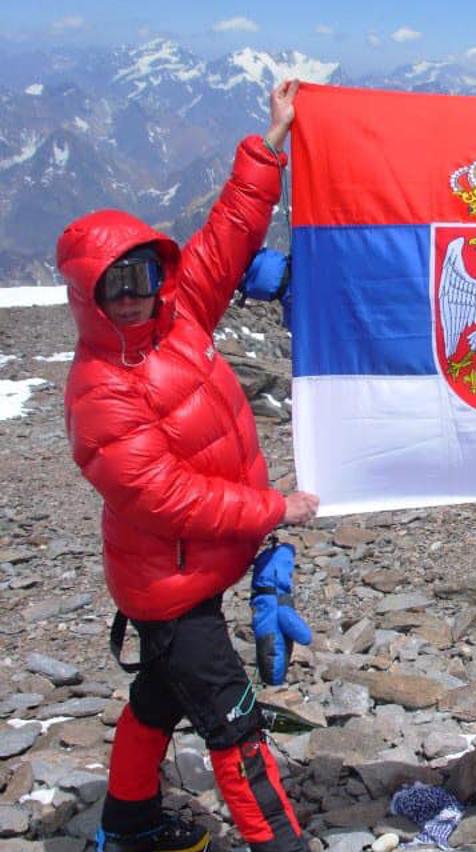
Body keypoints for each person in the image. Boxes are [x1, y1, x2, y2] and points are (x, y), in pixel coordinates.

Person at [58, 80, 319, 852]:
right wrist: (277, 510)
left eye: (142, 276)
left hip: (193, 570)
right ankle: (280, 842)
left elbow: (229, 234)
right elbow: (166, 498)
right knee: (231, 719)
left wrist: (269, 143)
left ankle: (128, 824)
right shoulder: (98, 391)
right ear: (88, 298)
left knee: (157, 698)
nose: (134, 297)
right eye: (115, 287)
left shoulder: (180, 316)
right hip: (168, 588)